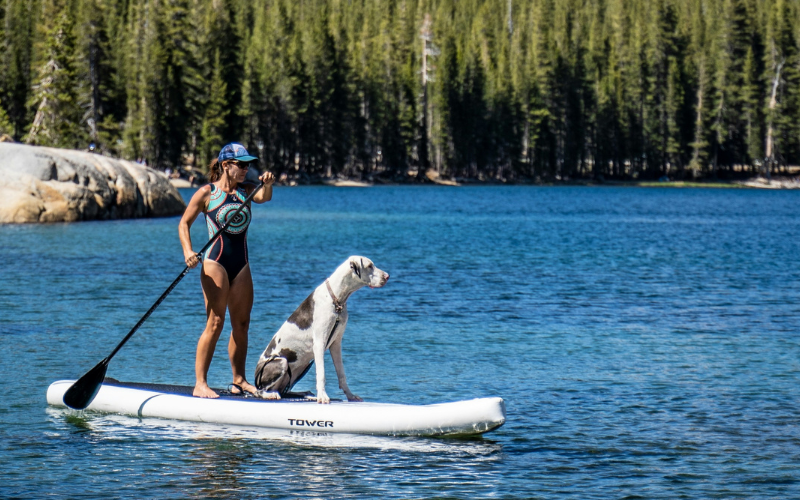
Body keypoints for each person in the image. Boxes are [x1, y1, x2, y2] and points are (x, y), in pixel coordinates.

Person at [178, 143, 275, 398]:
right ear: (225, 165)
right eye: (240, 165)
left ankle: (239, 380)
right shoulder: (206, 193)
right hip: (215, 263)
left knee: (241, 324)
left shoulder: (248, 191)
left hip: (241, 264)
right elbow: (184, 224)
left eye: (248, 165)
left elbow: (265, 197)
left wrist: (268, 182)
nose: (246, 169)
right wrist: (188, 252)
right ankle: (200, 384)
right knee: (215, 322)